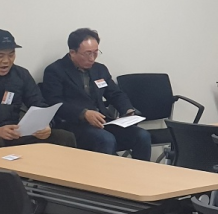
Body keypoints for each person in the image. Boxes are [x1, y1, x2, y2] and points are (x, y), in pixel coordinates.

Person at [43, 28, 152, 161]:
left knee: (142, 136)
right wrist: (83, 113)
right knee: (106, 139)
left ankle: (139, 173)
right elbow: (54, 102)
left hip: (103, 121)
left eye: (95, 53)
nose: (92, 58)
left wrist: (128, 109)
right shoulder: (55, 71)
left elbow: (115, 93)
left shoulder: (100, 69)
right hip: (74, 125)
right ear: (72, 52)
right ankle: (104, 174)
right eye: (87, 54)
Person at [0, 29, 76, 150]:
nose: (6, 61)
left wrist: (46, 125)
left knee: (64, 137)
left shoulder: (20, 74)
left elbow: (38, 103)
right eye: (0, 56)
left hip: (14, 132)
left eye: (11, 55)